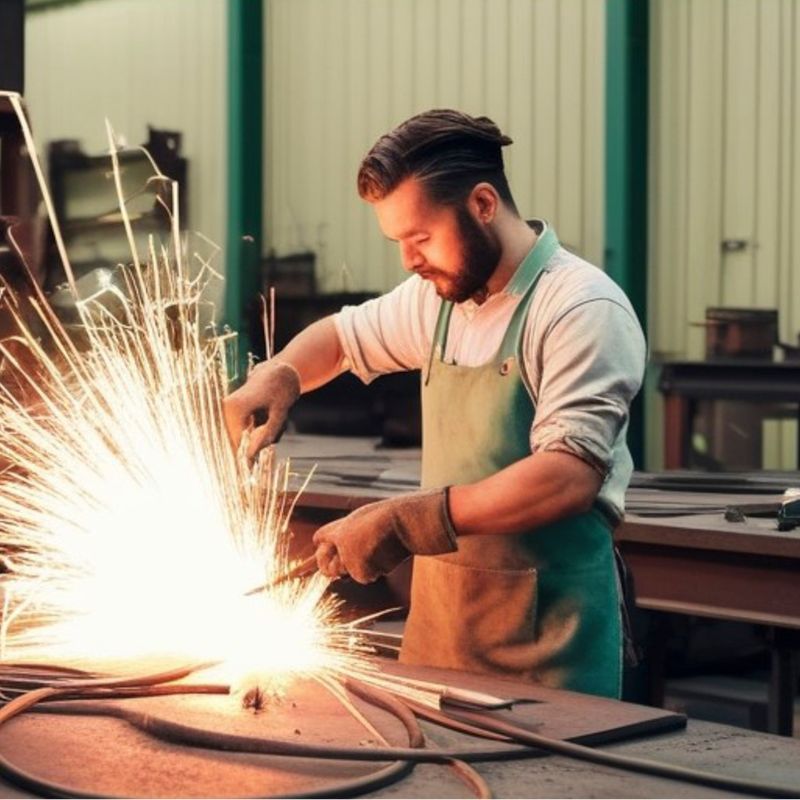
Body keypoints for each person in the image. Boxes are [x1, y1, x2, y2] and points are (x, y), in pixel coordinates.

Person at [224, 109, 646, 698]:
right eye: (399, 242)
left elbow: (566, 477)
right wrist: (284, 373)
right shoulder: (439, 300)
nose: (409, 260)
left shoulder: (580, 308)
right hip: (439, 645)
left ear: (481, 204)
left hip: (550, 654)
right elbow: (343, 338)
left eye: (420, 237)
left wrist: (404, 519)